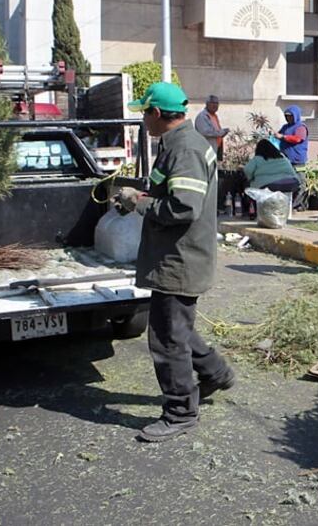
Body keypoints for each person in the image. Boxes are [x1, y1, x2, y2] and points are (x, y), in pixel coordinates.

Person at [114, 82, 235, 443]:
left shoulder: (184, 149)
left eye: (144, 112)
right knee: (176, 327)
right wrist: (140, 195)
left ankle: (181, 412)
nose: (143, 119)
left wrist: (138, 203)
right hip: (178, 255)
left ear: (156, 114)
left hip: (179, 259)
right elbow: (172, 193)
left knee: (167, 339)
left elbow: (183, 207)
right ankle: (215, 373)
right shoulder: (180, 143)